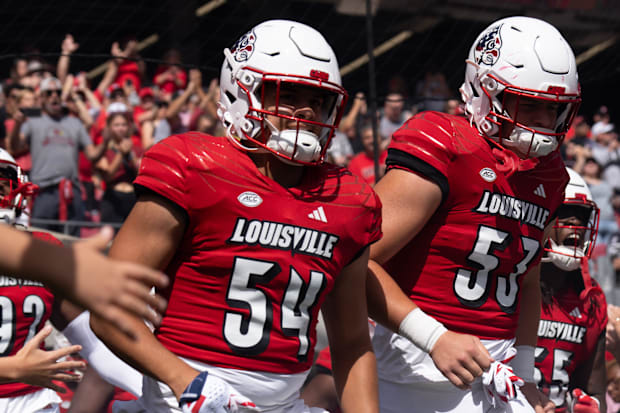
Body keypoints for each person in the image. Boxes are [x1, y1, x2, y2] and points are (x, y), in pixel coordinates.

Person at [90, 19, 381, 413]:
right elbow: (109, 310)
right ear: (242, 92)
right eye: (288, 94)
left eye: (318, 99)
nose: (306, 111)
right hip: (187, 399)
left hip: (286, 404)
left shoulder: (348, 198)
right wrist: (188, 383)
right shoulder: (195, 167)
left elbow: (351, 343)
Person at [365, 16, 581, 413]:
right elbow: (356, 260)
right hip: (415, 371)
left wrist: (526, 377)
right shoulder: (445, 143)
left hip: (497, 376)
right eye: (530, 104)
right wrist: (433, 337)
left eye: (554, 110)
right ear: (485, 92)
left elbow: (528, 283)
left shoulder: (550, 174)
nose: (545, 124)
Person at [0, 148, 146, 411]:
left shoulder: (41, 251)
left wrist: (174, 389)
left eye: (1, 189)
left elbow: (94, 344)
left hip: (33, 404)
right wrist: (11, 369)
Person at [535, 168, 607, 412]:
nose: (575, 223)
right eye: (564, 213)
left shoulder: (591, 300)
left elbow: (593, 389)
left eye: (581, 216)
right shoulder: (509, 286)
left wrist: (590, 405)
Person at [7, 76, 109, 236]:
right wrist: (17, 124)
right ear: (41, 97)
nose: (54, 95)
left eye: (58, 92)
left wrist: (106, 140)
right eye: (49, 92)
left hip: (72, 191)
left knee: (71, 244)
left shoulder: (74, 123)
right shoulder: (34, 120)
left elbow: (92, 155)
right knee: (41, 243)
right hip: (44, 192)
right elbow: (14, 147)